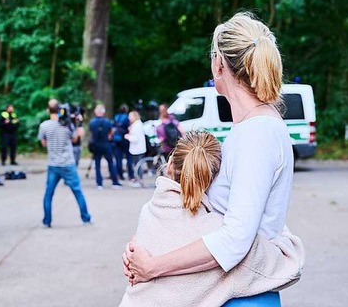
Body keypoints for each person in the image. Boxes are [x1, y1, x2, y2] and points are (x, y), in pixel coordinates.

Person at [124, 12, 295, 306]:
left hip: (242, 297)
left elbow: (235, 239)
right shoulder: (250, 128)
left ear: (219, 65)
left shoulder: (259, 133)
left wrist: (153, 266)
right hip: (227, 291)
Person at [120, 131, 303, 306]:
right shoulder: (218, 237)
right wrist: (275, 225)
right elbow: (289, 266)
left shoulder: (149, 212)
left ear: (169, 166)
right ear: (214, 181)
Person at [38, 99, 91, 228]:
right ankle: (86, 218)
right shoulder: (67, 125)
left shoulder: (44, 126)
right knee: (77, 191)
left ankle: (47, 221)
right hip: (68, 163)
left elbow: (43, 143)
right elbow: (74, 139)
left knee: (49, 193)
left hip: (53, 164)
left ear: (48, 110)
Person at [89, 104, 122, 190]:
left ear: (96, 112)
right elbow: (111, 131)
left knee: (97, 164)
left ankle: (99, 184)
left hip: (96, 145)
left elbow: (91, 132)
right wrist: (109, 136)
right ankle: (115, 182)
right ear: (103, 112)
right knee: (111, 163)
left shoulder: (92, 122)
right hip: (106, 144)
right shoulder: (107, 122)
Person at [124, 110, 146, 188]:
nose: (129, 118)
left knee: (138, 165)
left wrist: (128, 137)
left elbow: (136, 139)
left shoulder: (137, 126)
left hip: (138, 149)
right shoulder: (136, 125)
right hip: (137, 149)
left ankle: (139, 180)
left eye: (130, 116)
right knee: (137, 165)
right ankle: (137, 179)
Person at [113, 104, 132, 181]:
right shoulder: (126, 118)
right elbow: (128, 128)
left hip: (117, 140)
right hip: (125, 140)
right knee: (128, 157)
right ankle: (130, 174)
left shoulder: (116, 117)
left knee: (118, 158)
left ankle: (119, 174)